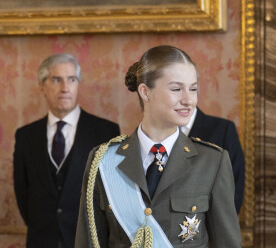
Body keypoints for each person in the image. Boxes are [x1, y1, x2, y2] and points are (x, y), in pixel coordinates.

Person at [75, 45, 241, 247]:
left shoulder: (212, 162)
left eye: (193, 89)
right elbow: (88, 242)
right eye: (176, 89)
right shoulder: (103, 160)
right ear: (145, 92)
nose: (189, 100)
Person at [13, 53, 120, 248]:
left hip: (88, 240)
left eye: (71, 79)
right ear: (42, 86)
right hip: (41, 239)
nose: (65, 88)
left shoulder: (106, 131)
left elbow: (112, 193)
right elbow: (22, 191)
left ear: (78, 84)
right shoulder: (25, 136)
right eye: (56, 79)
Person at [181, 107, 245, 213]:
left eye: (192, 89)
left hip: (206, 224)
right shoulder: (157, 129)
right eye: (175, 89)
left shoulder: (223, 129)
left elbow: (234, 185)